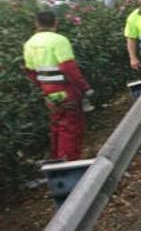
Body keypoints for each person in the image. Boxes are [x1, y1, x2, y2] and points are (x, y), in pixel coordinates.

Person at [22, 11, 93, 161]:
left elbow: (30, 72)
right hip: (65, 90)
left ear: (36, 24)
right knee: (71, 127)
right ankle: (69, 162)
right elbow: (69, 68)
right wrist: (85, 87)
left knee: (57, 125)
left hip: (48, 91)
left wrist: (43, 89)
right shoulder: (59, 40)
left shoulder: (30, 43)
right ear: (55, 23)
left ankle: (57, 159)